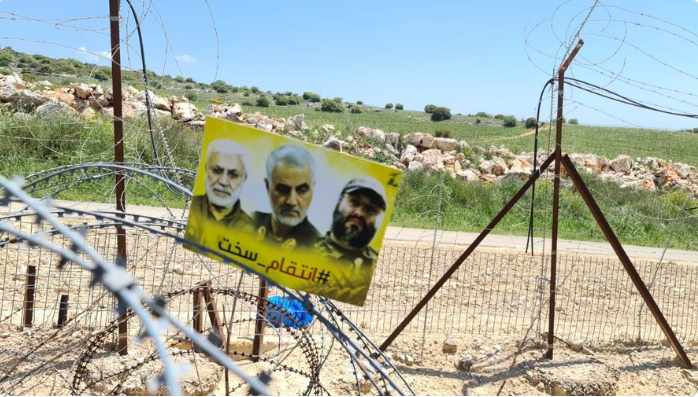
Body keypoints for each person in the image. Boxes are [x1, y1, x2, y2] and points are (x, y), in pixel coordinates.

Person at [184, 139, 255, 248]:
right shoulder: (193, 212)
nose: (223, 182)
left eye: (233, 175)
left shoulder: (252, 230)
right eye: (217, 171)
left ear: (244, 179)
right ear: (206, 170)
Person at [252, 144, 321, 251]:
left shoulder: (317, 249)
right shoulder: (248, 223)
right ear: (267, 186)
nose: (291, 201)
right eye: (283, 190)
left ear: (313, 189)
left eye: (302, 191)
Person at [315, 176, 387, 268]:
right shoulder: (303, 249)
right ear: (338, 204)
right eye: (355, 202)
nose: (359, 213)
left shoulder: (379, 266)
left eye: (370, 209)